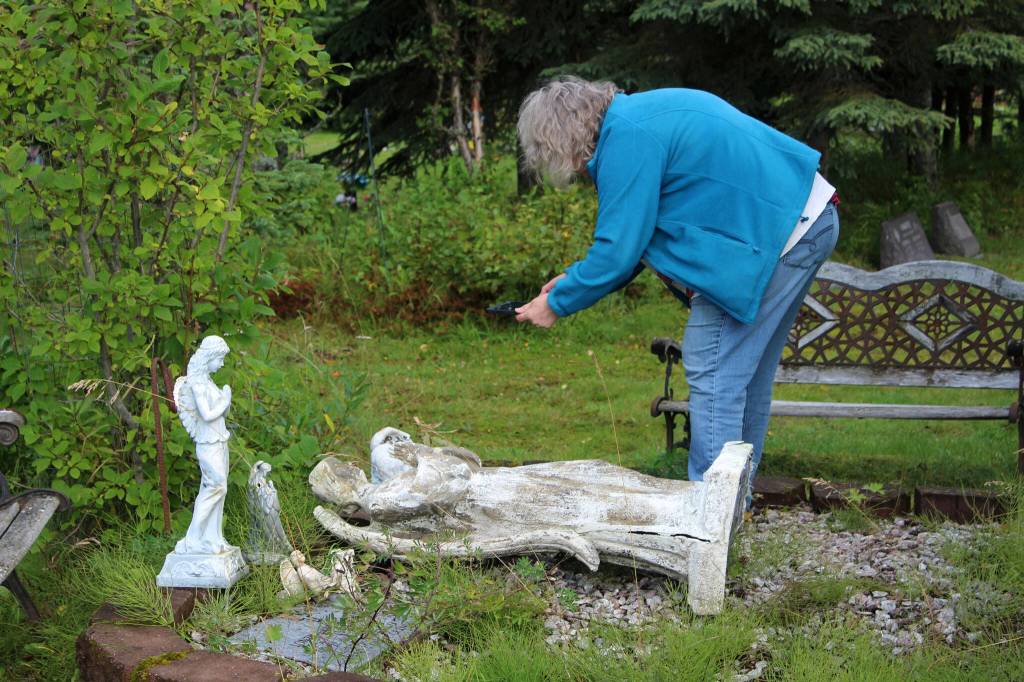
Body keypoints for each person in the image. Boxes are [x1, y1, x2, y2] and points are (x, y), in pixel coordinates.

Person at [514, 77, 839, 489]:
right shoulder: (641, 116)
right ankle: (734, 508)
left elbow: (617, 251)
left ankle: (709, 515)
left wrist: (556, 303)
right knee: (744, 377)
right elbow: (637, 237)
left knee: (714, 370)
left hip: (779, 234)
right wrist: (573, 281)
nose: (572, 169)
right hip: (806, 219)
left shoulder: (627, 137)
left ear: (564, 135)